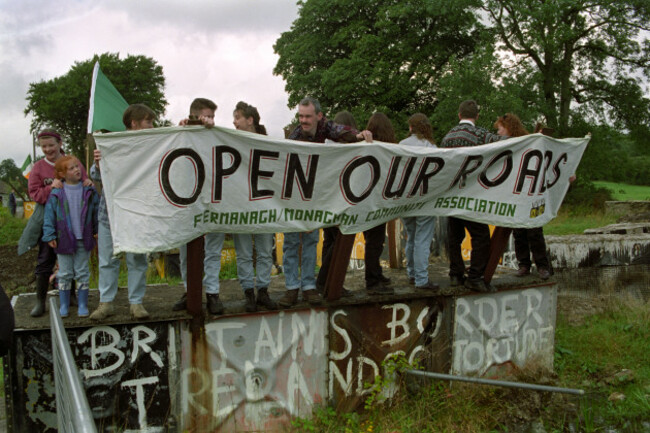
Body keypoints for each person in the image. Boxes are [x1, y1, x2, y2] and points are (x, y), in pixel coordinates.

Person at [279, 97, 372, 308]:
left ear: (319, 116)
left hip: (314, 196)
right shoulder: (295, 136)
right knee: (292, 242)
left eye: (307, 116)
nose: (303, 120)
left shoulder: (325, 127)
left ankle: (309, 286)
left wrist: (358, 135)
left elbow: (340, 130)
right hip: (294, 195)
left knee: (311, 240)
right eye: (301, 116)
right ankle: (292, 287)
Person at [89, 104, 156, 321]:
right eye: (148, 122)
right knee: (108, 259)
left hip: (137, 213)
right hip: (109, 214)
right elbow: (96, 177)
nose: (152, 126)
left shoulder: (152, 146)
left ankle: (136, 303)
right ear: (134, 123)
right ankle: (106, 302)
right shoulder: (112, 144)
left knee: (137, 259)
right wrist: (99, 164)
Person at [440, 100, 503, 293]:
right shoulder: (481, 135)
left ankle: (455, 274)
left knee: (454, 237)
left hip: (452, 195)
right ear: (476, 116)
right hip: (473, 195)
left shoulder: (447, 137)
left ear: (459, 115)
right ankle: (475, 276)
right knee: (480, 236)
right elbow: (505, 144)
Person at [27, 129, 91, 317]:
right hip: (50, 221)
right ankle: (40, 301)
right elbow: (35, 194)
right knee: (45, 259)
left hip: (73, 221)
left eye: (51, 145)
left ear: (60, 144)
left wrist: (87, 184)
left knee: (71, 258)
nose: (48, 149)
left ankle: (71, 296)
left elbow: (84, 180)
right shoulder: (38, 168)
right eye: (44, 146)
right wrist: (51, 188)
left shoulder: (73, 162)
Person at [172, 97, 225, 315]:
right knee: (186, 251)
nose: (210, 120)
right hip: (189, 201)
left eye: (212, 116)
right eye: (206, 115)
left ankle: (212, 292)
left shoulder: (219, 135)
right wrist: (186, 126)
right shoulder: (182, 132)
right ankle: (189, 290)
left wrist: (212, 128)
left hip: (215, 200)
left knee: (213, 250)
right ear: (195, 115)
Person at [231, 101, 278, 312]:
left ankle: (263, 291)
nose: (234, 122)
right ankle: (248, 292)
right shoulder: (231, 141)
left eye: (237, 117)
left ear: (250, 120)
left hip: (264, 204)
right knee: (243, 252)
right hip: (240, 204)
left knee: (265, 251)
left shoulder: (269, 143)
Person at [495, 114, 551, 280]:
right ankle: (524, 264)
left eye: (500, 128)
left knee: (534, 231)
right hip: (515, 194)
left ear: (509, 127)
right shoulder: (506, 144)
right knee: (519, 232)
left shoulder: (529, 141)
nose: (498, 132)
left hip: (531, 194)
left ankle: (542, 266)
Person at [42, 156, 99, 317]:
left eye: (77, 166)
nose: (77, 170)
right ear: (62, 174)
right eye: (72, 168)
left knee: (82, 271)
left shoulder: (89, 190)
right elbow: (49, 216)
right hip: (63, 238)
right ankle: (64, 306)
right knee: (65, 273)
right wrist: (50, 235)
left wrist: (97, 230)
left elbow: (96, 211)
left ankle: (82, 304)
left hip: (84, 237)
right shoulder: (56, 193)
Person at [315, 110, 357, 297]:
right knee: (338, 242)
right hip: (338, 201)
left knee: (329, 242)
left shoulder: (325, 146)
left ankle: (326, 282)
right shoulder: (341, 149)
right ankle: (328, 282)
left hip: (324, 200)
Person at [399, 113, 440, 291]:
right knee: (422, 239)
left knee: (411, 237)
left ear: (410, 128)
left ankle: (412, 273)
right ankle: (421, 279)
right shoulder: (431, 146)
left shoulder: (401, 145)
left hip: (406, 199)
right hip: (425, 198)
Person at [362, 112, 396, 294]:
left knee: (374, 241)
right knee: (375, 242)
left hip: (367, 201)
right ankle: (372, 281)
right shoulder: (387, 149)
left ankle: (376, 273)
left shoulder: (366, 147)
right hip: (377, 201)